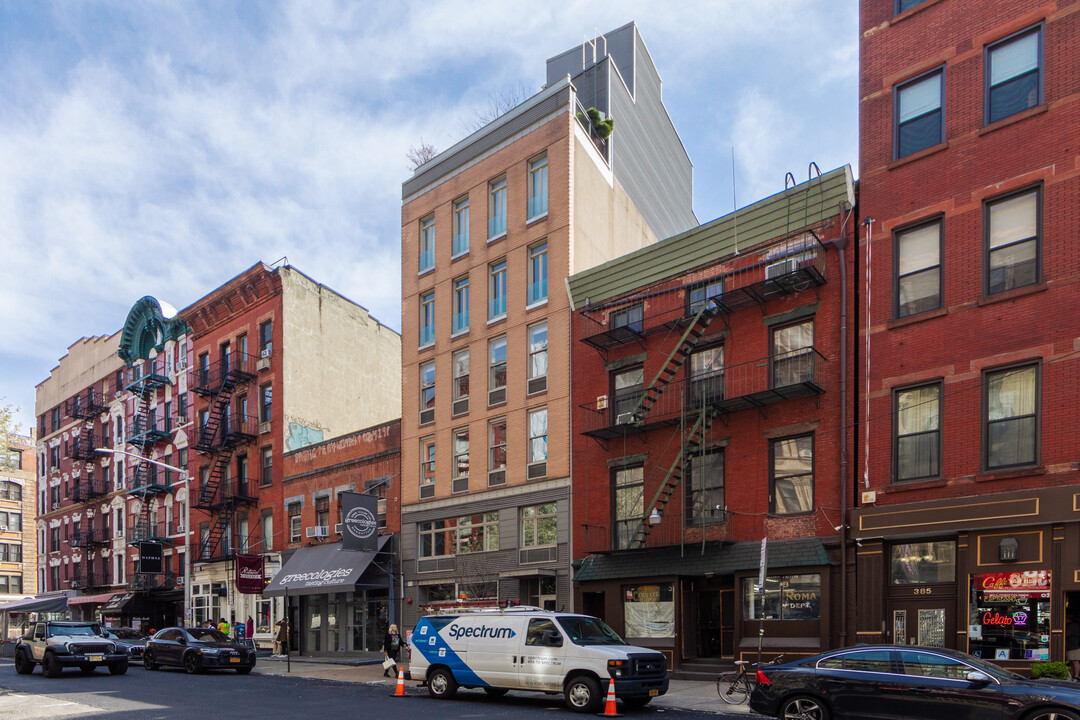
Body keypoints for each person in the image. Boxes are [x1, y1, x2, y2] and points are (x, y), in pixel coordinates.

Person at [1066, 615, 1080, 680]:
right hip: (1072, 646)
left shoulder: (1071, 626)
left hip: (1073, 646)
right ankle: (1071, 675)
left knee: (1075, 661)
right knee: (1072, 661)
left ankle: (1076, 676)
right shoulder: (1074, 625)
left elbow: (1066, 634)